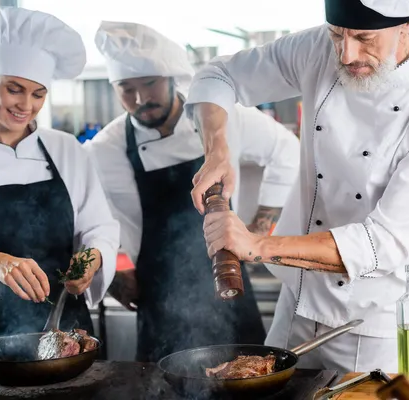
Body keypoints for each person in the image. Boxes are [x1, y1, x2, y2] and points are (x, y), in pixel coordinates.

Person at [184, 0, 409, 374]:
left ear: (406, 25)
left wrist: (258, 246)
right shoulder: (318, 49)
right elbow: (218, 76)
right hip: (296, 304)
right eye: (336, 34)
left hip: (372, 324)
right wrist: (217, 150)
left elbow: (383, 240)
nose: (346, 53)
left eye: (363, 38)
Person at [87, 21, 301, 362]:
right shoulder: (105, 149)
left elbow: (288, 152)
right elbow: (94, 219)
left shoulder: (225, 120)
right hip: (158, 293)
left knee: (248, 378)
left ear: (171, 77)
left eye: (150, 84)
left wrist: (259, 227)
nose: (141, 99)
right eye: (126, 88)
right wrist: (110, 275)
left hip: (228, 279)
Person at [0, 7, 120, 350]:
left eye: (38, 94)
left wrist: (95, 256)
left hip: (68, 323)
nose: (25, 105)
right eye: (14, 89)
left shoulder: (67, 149)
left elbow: (99, 225)